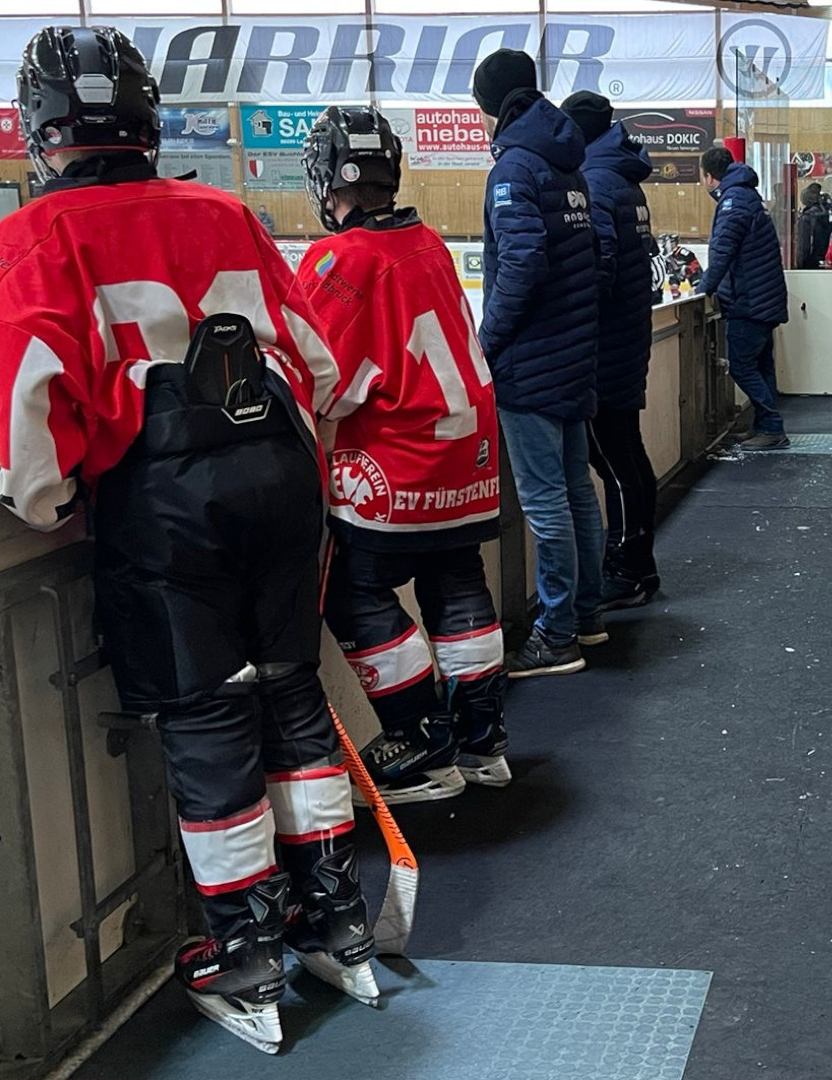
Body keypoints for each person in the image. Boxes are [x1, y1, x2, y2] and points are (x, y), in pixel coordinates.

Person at [0, 27, 375, 1052]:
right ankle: (339, 917)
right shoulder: (225, 209)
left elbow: (28, 411)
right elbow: (314, 365)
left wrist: (55, 504)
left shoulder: (25, 241)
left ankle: (246, 949)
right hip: (280, 484)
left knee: (207, 719)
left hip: (164, 504)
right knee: (289, 689)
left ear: (43, 133)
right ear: (148, 124)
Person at [297, 106, 509, 806]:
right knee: (457, 583)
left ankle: (422, 745)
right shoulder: (428, 242)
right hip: (467, 463)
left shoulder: (341, 260)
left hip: (399, 464)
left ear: (330, 180)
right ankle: (483, 742)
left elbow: (320, 379)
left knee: (355, 593)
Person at [472, 48, 607, 675]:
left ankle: (556, 637)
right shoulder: (567, 164)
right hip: (576, 353)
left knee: (548, 498)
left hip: (530, 362)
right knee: (577, 490)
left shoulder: (513, 170)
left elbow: (523, 263)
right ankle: (586, 614)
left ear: (492, 107)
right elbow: (592, 255)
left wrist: (486, 341)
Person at [563, 91, 664, 609]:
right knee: (628, 454)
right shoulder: (621, 177)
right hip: (627, 337)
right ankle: (636, 561)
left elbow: (598, 269)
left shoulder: (597, 182)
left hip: (605, 345)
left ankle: (628, 567)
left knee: (614, 460)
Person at [699, 145, 790, 451]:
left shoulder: (733, 202)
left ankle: (773, 427)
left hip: (749, 300)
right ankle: (764, 426)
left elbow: (722, 252)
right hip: (763, 297)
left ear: (710, 177)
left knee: (740, 365)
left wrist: (704, 288)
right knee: (761, 364)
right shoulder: (747, 195)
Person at [793, 184, 832, 269]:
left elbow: (803, 246)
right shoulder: (827, 215)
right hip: (824, 261)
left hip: (809, 262)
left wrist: (799, 265)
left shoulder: (806, 217)